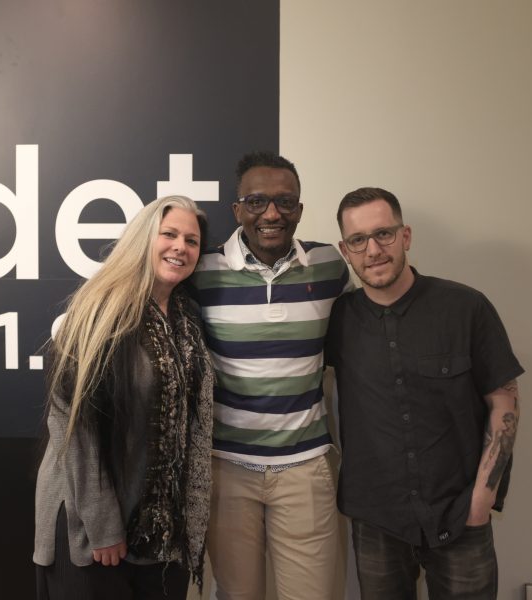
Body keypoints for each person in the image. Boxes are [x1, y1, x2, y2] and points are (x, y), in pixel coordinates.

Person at [326, 187, 524, 600]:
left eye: (384, 234)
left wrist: (481, 500)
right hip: (375, 517)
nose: (374, 250)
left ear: (406, 236)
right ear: (345, 250)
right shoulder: (337, 319)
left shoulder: (465, 307)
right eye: (359, 240)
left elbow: (504, 401)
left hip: (459, 510)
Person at [33, 195, 215, 600]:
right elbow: (72, 424)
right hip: (90, 528)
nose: (180, 247)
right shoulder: (100, 310)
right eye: (169, 234)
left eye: (192, 240)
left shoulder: (187, 318)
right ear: (142, 238)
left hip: (161, 534)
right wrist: (103, 525)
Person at [189, 152, 352, 599]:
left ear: (300, 209)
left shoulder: (330, 267)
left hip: (305, 470)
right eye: (257, 201)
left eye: (286, 202)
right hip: (228, 469)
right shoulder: (201, 271)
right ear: (237, 209)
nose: (273, 214)